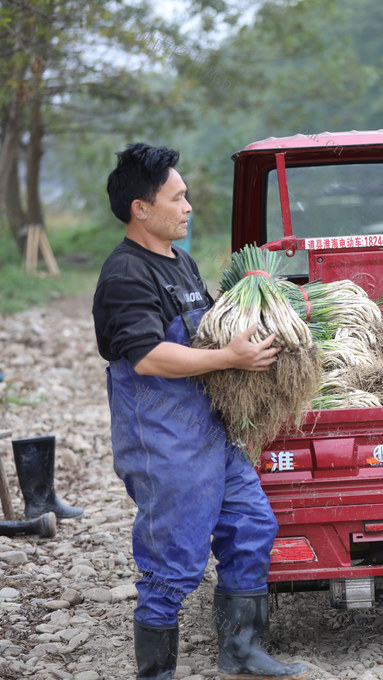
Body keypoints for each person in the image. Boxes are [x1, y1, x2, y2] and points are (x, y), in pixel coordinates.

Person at [92, 143, 306, 680]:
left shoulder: (179, 262)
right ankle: (156, 673)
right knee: (173, 563)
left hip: (210, 432)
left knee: (253, 525)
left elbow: (207, 327)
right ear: (141, 208)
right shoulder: (125, 275)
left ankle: (241, 651)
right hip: (164, 443)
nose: (188, 207)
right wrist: (227, 357)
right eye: (177, 197)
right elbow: (146, 356)